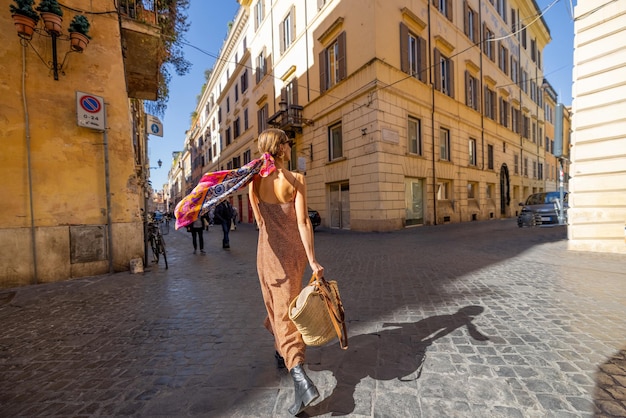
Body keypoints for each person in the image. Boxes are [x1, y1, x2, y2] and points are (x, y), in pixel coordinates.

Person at [249, 128, 324, 416]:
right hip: (294, 254)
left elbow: (259, 221)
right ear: (280, 149)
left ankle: (301, 380)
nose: (290, 146)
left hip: (268, 253)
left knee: (281, 309)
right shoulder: (296, 180)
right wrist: (313, 260)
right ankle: (281, 349)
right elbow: (304, 222)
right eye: (288, 143)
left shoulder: (254, 181)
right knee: (282, 305)